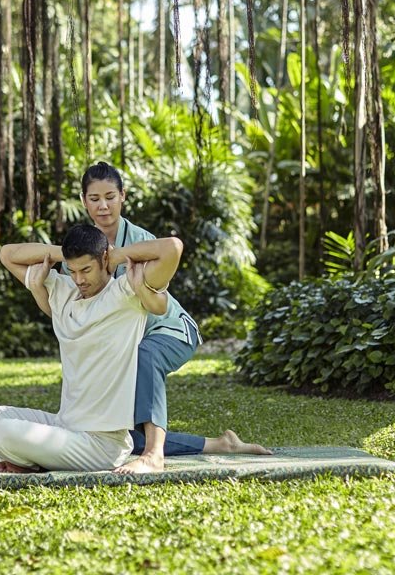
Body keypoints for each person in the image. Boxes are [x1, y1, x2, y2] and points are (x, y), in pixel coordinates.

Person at [67, 161, 270, 473]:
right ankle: (221, 444)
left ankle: (154, 454)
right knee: (121, 435)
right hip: (124, 348)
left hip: (170, 331)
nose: (103, 206)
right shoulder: (81, 245)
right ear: (83, 201)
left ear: (123, 196)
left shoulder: (143, 241)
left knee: (146, 355)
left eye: (110, 196)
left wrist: (121, 256)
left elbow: (158, 301)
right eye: (94, 199)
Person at [0, 224, 182, 472]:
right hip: (65, 426)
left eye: (86, 270)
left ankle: (31, 458)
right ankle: (36, 460)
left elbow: (172, 248)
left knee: (5, 433)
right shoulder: (62, 291)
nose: (79, 279)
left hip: (101, 444)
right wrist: (62, 254)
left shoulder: (125, 293)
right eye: (73, 270)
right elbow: (8, 254)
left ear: (103, 261)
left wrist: (117, 255)